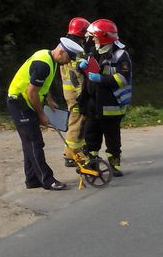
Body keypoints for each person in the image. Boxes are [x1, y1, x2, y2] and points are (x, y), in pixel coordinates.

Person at [7, 37, 84, 190]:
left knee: (29, 143)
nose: (69, 62)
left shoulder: (48, 56)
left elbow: (40, 83)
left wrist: (49, 99)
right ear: (61, 52)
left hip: (24, 101)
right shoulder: (44, 65)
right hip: (20, 103)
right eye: (69, 57)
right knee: (35, 143)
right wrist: (41, 114)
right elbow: (31, 92)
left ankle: (32, 179)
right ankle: (48, 180)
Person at [81, 18, 132, 176]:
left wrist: (101, 79)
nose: (92, 39)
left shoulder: (120, 56)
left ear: (104, 37)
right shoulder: (96, 50)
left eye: (95, 36)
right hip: (93, 103)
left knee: (112, 138)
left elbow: (122, 79)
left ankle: (114, 165)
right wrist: (80, 65)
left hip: (111, 105)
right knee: (91, 134)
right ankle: (93, 164)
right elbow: (87, 64)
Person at [60, 17, 90, 167]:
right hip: (75, 93)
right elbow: (74, 74)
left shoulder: (65, 44)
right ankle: (70, 154)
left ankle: (77, 150)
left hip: (69, 91)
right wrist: (81, 94)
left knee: (79, 120)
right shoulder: (74, 48)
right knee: (76, 121)